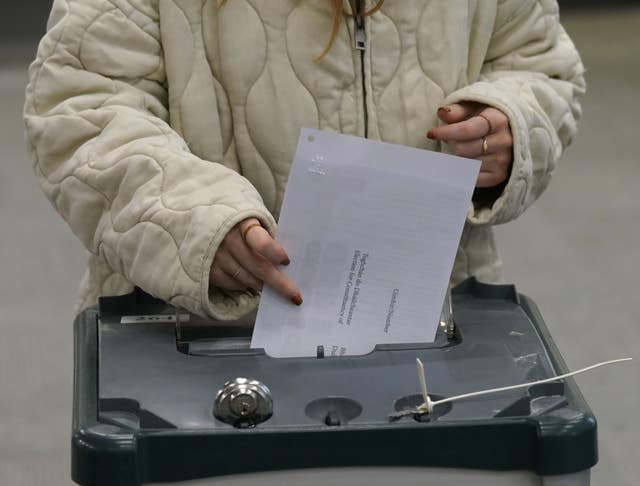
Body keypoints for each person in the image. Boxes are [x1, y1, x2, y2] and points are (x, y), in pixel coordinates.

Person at [24, 0, 585, 321]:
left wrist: (511, 123)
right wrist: (194, 225)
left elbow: (540, 63)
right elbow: (81, 106)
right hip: (195, 333)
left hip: (429, 317)